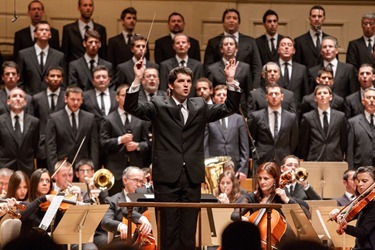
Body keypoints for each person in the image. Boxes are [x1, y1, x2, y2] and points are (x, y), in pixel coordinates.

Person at [124, 58, 241, 249]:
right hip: (166, 176)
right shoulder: (158, 104)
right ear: (170, 84)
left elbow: (229, 107)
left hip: (192, 176)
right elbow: (132, 107)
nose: (186, 85)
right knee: (168, 231)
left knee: (188, 232)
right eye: (181, 81)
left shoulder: (200, 105)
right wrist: (137, 79)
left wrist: (230, 80)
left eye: (188, 81)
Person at [230, 162, 297, 248]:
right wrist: (244, 219)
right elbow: (234, 215)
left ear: (274, 179)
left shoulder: (281, 198)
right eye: (260, 178)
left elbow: (304, 213)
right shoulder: (252, 197)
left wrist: (287, 200)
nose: (262, 182)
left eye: (266, 178)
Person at [100, 84, 150, 195]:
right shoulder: (108, 119)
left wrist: (137, 146)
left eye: (129, 96)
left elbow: (148, 143)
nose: (126, 98)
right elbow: (103, 143)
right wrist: (120, 140)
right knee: (115, 203)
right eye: (123, 95)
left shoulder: (141, 118)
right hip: (115, 172)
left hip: (136, 170)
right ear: (117, 97)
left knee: (138, 204)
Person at [45, 86, 99, 173]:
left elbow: (94, 146)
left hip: (83, 168)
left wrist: (93, 169)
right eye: (72, 99)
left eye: (78, 99)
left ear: (82, 100)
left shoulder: (90, 118)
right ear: (66, 99)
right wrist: (54, 170)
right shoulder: (54, 118)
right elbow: (50, 147)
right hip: (62, 168)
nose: (75, 102)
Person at [204, 8, 262, 87]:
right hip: (220, 88)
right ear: (223, 22)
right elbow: (208, 67)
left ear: (239, 22)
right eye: (228, 18)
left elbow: (257, 67)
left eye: (235, 18)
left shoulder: (250, 41)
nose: (231, 21)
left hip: (244, 88)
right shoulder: (213, 42)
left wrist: (255, 88)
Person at [248, 83, 298, 171]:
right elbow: (252, 139)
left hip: (283, 161)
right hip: (262, 160)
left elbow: (293, 141)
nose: (274, 96)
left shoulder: (291, 117)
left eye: (276, 94)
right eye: (271, 94)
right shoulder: (256, 116)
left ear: (282, 97)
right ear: (266, 97)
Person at [204, 85, 249, 179]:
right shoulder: (209, 119)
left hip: (235, 168)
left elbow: (244, 147)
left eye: (224, 95)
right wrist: (207, 167)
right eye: (218, 95)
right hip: (214, 167)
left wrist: (243, 169)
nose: (221, 97)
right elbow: (205, 145)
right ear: (213, 99)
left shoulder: (239, 119)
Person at [101, 166, 152, 242]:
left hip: (144, 240)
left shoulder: (145, 197)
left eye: (141, 181)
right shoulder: (112, 200)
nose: (138, 184)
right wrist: (120, 225)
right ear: (125, 180)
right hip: (122, 242)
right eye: (135, 180)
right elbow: (106, 221)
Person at [329, 166, 375, 249]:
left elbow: (362, 232)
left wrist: (346, 227)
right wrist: (337, 214)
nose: (360, 184)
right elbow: (349, 215)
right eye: (358, 181)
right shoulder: (365, 201)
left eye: (364, 181)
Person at [299, 85, 348, 161]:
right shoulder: (307, 117)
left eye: (325, 93)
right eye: (319, 93)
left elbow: (343, 140)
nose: (322, 95)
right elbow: (304, 141)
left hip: (335, 158)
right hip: (314, 159)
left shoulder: (340, 116)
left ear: (330, 97)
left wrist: (340, 154)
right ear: (315, 98)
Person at [17, 21, 66, 95]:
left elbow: (63, 82)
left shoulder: (59, 56)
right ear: (35, 34)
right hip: (29, 97)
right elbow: (19, 80)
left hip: (51, 98)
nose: (44, 32)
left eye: (47, 30)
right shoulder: (23, 54)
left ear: (50, 35)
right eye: (41, 30)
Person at [206, 35, 252, 112]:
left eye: (231, 44)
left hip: (241, 109)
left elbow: (249, 92)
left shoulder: (245, 67)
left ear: (236, 48)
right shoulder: (212, 69)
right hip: (220, 110)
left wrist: (249, 113)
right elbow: (210, 93)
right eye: (226, 44)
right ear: (221, 49)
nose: (228, 46)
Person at [0, 88, 40, 177]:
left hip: (27, 168)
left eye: (21, 96)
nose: (18, 98)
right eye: (14, 96)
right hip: (5, 168)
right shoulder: (0, 121)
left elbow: (35, 146)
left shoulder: (34, 122)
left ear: (25, 102)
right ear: (8, 101)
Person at [32, 66, 66, 169]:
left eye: (58, 76)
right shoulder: (36, 98)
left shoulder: (67, 98)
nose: (55, 78)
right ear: (46, 78)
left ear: (62, 79)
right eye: (52, 76)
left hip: (62, 145)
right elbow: (34, 123)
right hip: (42, 146)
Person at [81, 65, 118, 133]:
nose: (101, 80)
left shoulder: (117, 95)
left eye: (104, 77)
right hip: (92, 133)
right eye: (98, 77)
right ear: (93, 81)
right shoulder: (84, 96)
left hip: (113, 135)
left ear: (109, 80)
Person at [277, 37, 309, 109]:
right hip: (277, 109)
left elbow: (305, 93)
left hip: (296, 111)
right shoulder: (272, 68)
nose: (286, 47)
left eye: (289, 45)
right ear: (278, 50)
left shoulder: (301, 69)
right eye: (283, 45)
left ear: (294, 50)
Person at [347, 87, 375, 169]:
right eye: (368, 97)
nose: (372, 100)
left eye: (374, 98)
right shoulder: (353, 122)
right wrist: (350, 170)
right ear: (363, 101)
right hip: (360, 168)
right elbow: (350, 150)